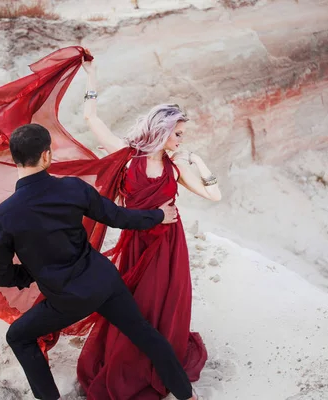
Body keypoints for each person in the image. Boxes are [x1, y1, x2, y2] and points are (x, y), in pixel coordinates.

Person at [0, 123, 199, 400]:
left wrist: (30, 272)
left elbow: (1, 276)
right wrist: (158, 216)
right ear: (47, 156)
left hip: (66, 300)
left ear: (14, 159)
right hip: (105, 281)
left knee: (18, 336)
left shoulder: (2, 216)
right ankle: (186, 395)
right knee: (144, 333)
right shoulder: (73, 188)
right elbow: (117, 217)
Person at [75, 56, 222, 399]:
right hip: (138, 243)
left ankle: (162, 358)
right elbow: (90, 117)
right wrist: (91, 75)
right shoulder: (129, 157)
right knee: (137, 305)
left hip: (170, 243)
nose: (181, 140)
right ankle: (132, 359)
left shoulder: (177, 164)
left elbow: (212, 195)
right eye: (178, 134)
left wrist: (198, 162)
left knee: (169, 302)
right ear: (163, 130)